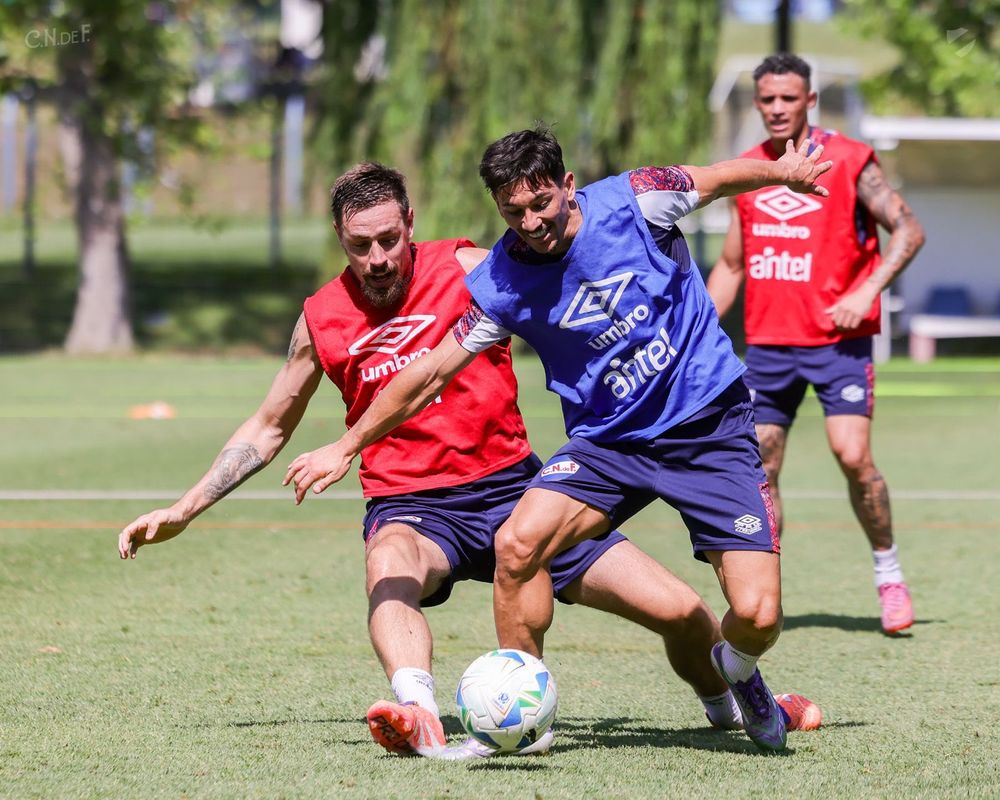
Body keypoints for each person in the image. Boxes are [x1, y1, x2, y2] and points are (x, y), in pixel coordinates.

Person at [119, 162, 817, 762]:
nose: (380, 258)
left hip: (515, 482)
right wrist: (185, 507)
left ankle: (736, 708)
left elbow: (562, 261)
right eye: (362, 246)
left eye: (391, 239)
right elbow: (270, 427)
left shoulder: (473, 267)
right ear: (341, 240)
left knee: (688, 614)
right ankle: (416, 706)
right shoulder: (321, 320)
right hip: (415, 508)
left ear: (411, 224)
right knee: (388, 562)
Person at [705, 54, 925, 636]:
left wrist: (867, 289)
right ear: (757, 103)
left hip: (838, 343)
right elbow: (732, 262)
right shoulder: (748, 169)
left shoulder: (850, 159)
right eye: (767, 99)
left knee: (852, 457)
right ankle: (767, 590)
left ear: (809, 101)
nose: (777, 108)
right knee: (762, 464)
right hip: (770, 348)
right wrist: (697, 326)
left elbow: (909, 229)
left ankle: (889, 572)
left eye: (789, 98)